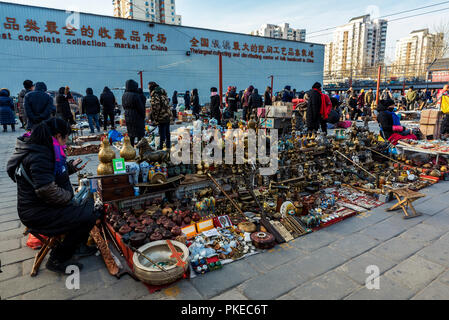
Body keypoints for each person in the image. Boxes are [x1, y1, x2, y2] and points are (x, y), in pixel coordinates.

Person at [6, 118, 97, 274]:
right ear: (58, 135)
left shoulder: (42, 148)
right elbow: (46, 190)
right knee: (89, 214)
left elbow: (48, 175)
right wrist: (71, 199)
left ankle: (77, 245)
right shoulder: (40, 155)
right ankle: (57, 259)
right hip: (39, 213)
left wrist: (69, 168)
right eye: (66, 137)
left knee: (89, 205)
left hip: (43, 205)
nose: (66, 142)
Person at [149, 82, 171, 150]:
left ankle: (161, 148)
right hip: (167, 115)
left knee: (161, 133)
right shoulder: (163, 94)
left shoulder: (155, 95)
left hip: (161, 116)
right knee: (167, 132)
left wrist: (155, 118)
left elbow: (156, 108)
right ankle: (168, 147)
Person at [123, 80, 145, 147]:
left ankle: (131, 151)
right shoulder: (135, 95)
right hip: (137, 116)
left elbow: (123, 106)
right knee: (139, 134)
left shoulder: (124, 95)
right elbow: (140, 107)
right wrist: (143, 116)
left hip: (128, 116)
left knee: (131, 134)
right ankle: (141, 150)